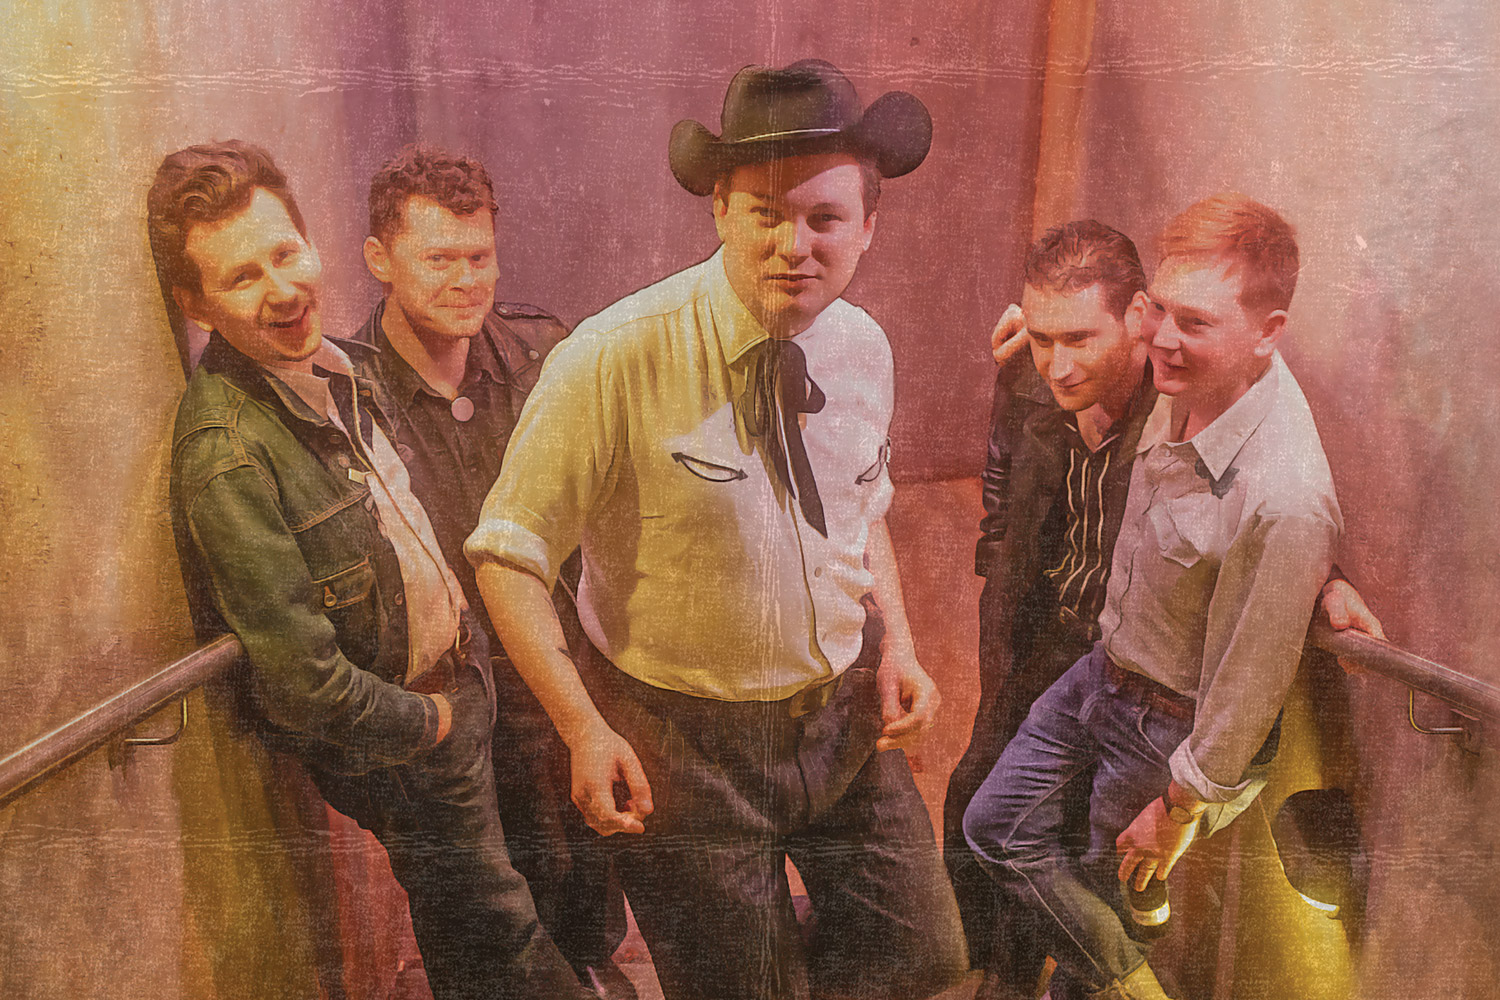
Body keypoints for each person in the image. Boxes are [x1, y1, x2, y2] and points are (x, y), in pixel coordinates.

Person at [464, 60, 968, 1000]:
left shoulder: (863, 346)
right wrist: (583, 728)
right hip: (684, 744)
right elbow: (507, 555)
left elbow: (864, 511)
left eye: (824, 218)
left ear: (867, 226)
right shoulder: (611, 357)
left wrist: (897, 642)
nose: (794, 246)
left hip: (841, 718)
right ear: (721, 210)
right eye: (765, 213)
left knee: (924, 953)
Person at [151, 140, 592, 1000]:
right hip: (412, 734)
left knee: (489, 932)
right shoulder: (226, 455)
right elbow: (305, 688)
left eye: (285, 254)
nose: (283, 290)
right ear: (193, 304)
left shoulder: (330, 369)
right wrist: (436, 723)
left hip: (459, 690)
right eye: (241, 277)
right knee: (504, 939)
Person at [944, 221, 1384, 1000]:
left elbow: (1258, 511)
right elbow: (1002, 499)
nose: (1058, 363)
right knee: (976, 813)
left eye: (1079, 339)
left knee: (1097, 855)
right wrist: (994, 577)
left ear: (1131, 320)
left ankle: (1091, 973)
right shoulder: (1030, 375)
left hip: (1144, 679)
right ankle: (1005, 972)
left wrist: (1326, 580)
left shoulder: (1180, 392)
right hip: (1053, 646)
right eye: (1043, 338)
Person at [340, 145, 631, 997]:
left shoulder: (548, 353)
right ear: (379, 258)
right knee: (475, 923)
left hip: (556, 671)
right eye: (440, 259)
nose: (467, 280)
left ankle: (593, 973)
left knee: (584, 885)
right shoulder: (344, 393)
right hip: (449, 701)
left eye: (480, 257)